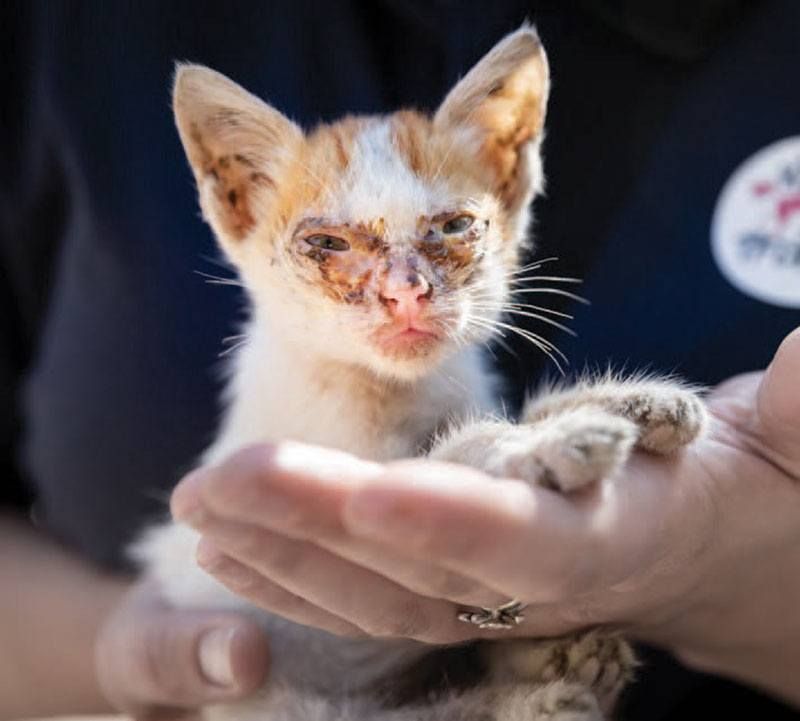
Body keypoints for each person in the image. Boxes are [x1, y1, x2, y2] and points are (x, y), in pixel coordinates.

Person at [1, 1, 798, 719]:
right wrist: (113, 651)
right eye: (328, 247)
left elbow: (429, 486)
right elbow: (395, 482)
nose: (406, 292)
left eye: (451, 232)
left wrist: (716, 577)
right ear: (237, 200)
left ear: (508, 172)